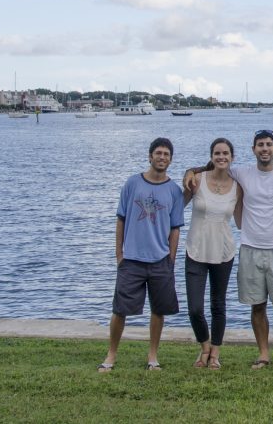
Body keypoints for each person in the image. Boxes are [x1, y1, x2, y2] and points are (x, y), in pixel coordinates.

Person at [185, 129, 273, 369]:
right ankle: (263, 354)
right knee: (257, 305)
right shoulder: (241, 173)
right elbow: (210, 167)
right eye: (260, 145)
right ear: (253, 150)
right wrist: (189, 172)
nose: (264, 149)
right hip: (250, 247)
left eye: (268, 144)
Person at [98, 137, 185, 372]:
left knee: (158, 310)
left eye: (166, 154)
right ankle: (111, 355)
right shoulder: (132, 184)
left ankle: (152, 357)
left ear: (171, 159)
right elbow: (121, 219)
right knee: (120, 310)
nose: (162, 157)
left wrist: (171, 259)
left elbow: (175, 227)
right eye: (158, 153)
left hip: (160, 260)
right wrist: (119, 255)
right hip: (132, 260)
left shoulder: (174, 191)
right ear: (150, 156)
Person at [182, 137, 242, 370]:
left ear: (232, 157)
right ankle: (204, 346)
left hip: (224, 251)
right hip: (196, 249)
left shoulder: (238, 187)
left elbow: (242, 219)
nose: (221, 157)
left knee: (218, 305)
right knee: (195, 308)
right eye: (217, 153)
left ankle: (215, 353)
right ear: (211, 156)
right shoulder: (196, 180)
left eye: (226, 153)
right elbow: (177, 208)